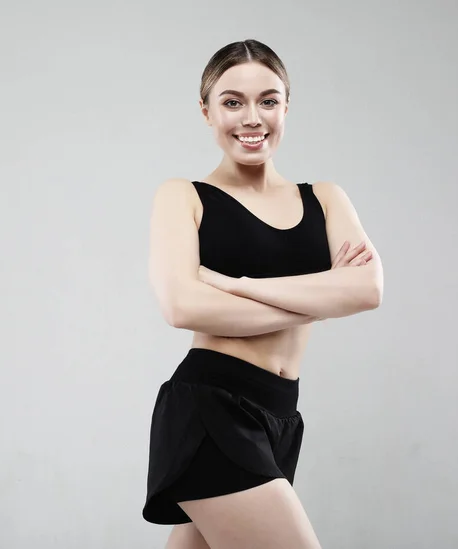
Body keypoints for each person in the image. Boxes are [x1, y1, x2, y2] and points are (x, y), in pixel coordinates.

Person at [142, 39, 384, 549]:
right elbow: (182, 306)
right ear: (206, 111)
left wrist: (240, 287)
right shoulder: (182, 197)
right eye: (232, 102)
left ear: (286, 107)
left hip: (281, 416)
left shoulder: (325, 198)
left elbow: (366, 289)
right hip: (210, 409)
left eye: (268, 101)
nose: (252, 118)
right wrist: (317, 297)